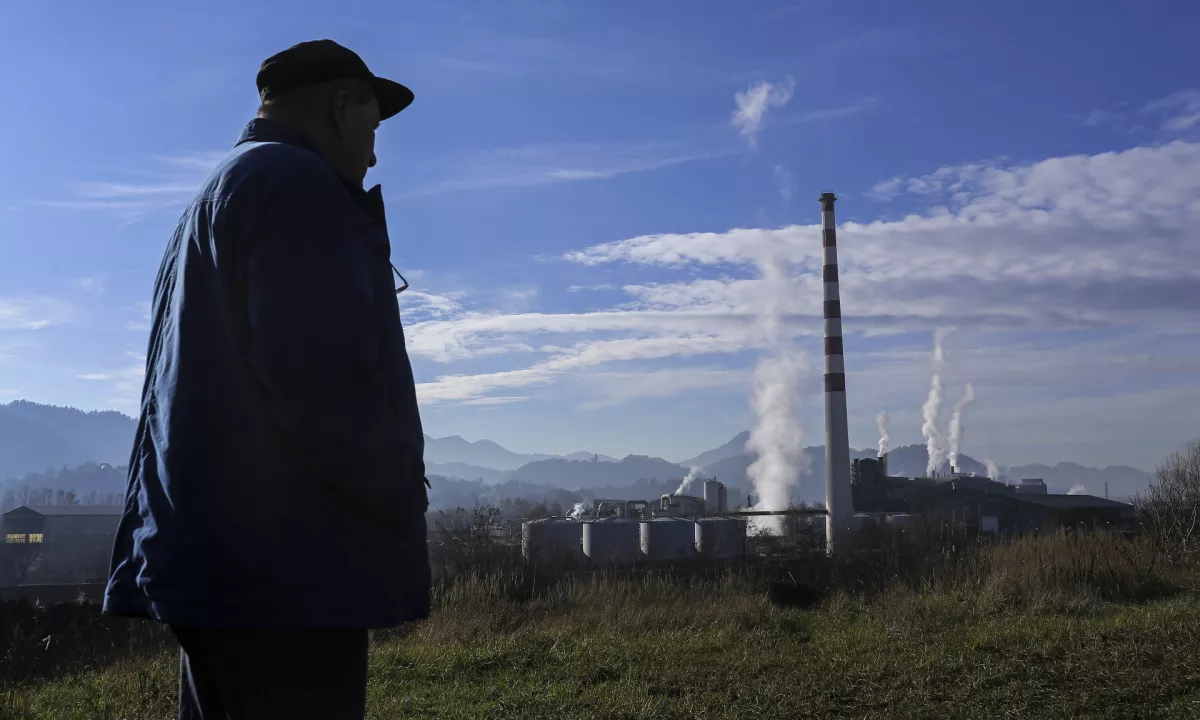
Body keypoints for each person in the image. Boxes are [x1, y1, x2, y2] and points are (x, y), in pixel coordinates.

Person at [104, 40, 430, 719]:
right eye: (372, 132)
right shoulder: (296, 186)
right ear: (342, 109)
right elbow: (322, 382)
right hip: (288, 572)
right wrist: (397, 489)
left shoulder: (221, 190)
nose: (372, 157)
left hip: (218, 567)